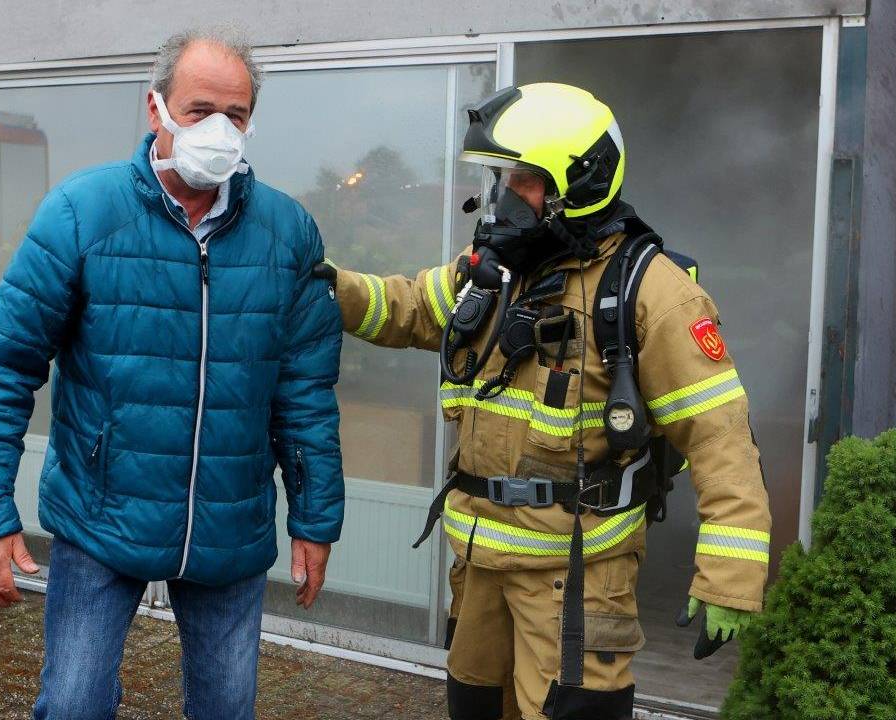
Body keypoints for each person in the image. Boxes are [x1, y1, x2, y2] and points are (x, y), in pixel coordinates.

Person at [315, 82, 772, 720]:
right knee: (474, 708)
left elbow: (721, 437)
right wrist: (325, 286)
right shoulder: (495, 271)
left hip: (576, 576)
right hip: (478, 564)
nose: (505, 196)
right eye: (504, 176)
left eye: (524, 179)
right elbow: (408, 308)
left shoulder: (651, 293)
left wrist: (731, 574)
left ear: (578, 184)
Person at [0, 28, 344, 720]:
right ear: (155, 109)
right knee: (72, 705)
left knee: (225, 709)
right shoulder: (82, 213)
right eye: (200, 110)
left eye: (237, 115)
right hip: (101, 515)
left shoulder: (288, 232)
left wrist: (316, 518)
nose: (220, 128)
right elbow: (2, 367)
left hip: (229, 522)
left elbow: (304, 390)